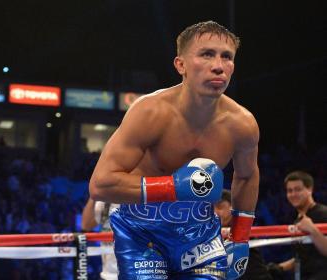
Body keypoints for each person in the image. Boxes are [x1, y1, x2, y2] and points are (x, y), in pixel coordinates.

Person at [89, 21, 260, 279]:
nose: (218, 65)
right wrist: (172, 187)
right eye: (207, 54)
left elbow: (247, 176)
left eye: (227, 57)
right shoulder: (150, 112)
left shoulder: (242, 124)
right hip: (141, 232)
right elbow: (100, 185)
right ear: (181, 65)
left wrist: (240, 237)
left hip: (198, 235)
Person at [274, 171, 327, 279]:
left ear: (310, 189)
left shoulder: (323, 214)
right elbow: (304, 257)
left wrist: (312, 230)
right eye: (290, 191)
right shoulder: (299, 219)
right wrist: (280, 267)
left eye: (298, 189)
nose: (293, 194)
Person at [215, 190, 273, 280]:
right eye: (212, 209)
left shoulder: (242, 229)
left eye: (220, 207)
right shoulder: (214, 234)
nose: (216, 212)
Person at [82, 198, 119, 280]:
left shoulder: (135, 198)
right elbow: (86, 225)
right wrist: (93, 196)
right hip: (107, 274)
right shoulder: (105, 201)